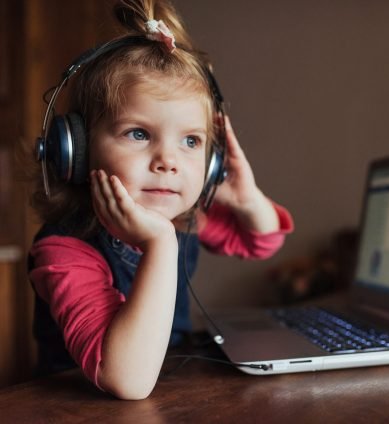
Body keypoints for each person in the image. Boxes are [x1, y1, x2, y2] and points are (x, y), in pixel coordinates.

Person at [28, 0, 294, 400]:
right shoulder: (65, 250)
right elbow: (127, 379)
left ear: (212, 161)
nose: (168, 161)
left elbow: (262, 241)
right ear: (77, 151)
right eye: (138, 133)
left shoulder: (188, 217)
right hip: (85, 408)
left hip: (169, 394)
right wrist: (159, 244)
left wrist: (245, 197)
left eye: (191, 141)